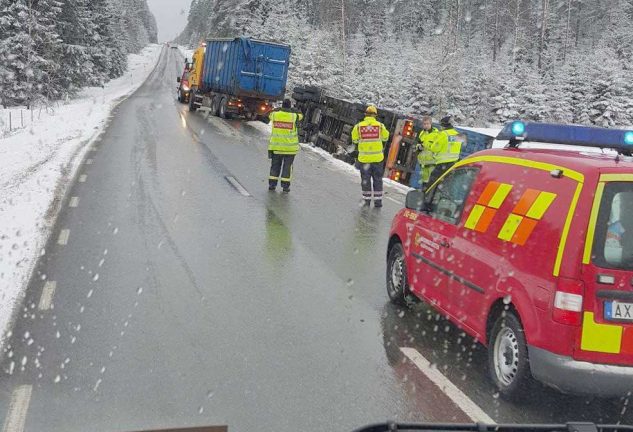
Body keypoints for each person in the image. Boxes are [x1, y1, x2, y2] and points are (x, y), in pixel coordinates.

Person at [351, 105, 390, 207]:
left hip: (364, 159)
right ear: (375, 116)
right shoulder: (380, 126)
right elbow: (386, 138)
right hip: (377, 159)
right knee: (377, 179)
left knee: (365, 180)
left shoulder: (358, 127)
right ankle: (378, 202)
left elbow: (354, 140)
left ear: (365, 114)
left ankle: (367, 201)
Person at [268, 99, 304, 193]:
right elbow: (301, 115)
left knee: (275, 166)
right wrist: (293, 110)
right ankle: (285, 187)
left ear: (282, 106)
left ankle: (272, 185)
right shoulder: (294, 116)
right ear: (290, 106)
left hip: (277, 147)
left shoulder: (275, 115)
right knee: (287, 167)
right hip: (290, 149)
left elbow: (269, 113)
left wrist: (278, 109)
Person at [426, 115, 464, 187]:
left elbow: (434, 148)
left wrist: (432, 143)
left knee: (431, 184)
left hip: (442, 164)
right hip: (453, 164)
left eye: (441, 126)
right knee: (445, 185)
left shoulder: (443, 134)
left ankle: (425, 196)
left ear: (444, 125)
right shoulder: (457, 135)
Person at [415, 116, 442, 189]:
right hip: (423, 162)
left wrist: (427, 147)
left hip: (432, 162)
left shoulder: (437, 134)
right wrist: (419, 147)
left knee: (431, 182)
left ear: (431, 124)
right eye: (424, 124)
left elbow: (438, 147)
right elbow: (418, 144)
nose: (426, 125)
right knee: (424, 181)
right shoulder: (422, 133)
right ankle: (424, 194)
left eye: (427, 124)